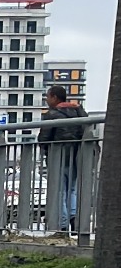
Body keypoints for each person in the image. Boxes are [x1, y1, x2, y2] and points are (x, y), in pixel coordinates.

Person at [39, 85, 88, 233]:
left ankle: (63, 224)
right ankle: (74, 218)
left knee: (59, 191)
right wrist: (78, 107)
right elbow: (87, 123)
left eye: (48, 96)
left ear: (54, 97)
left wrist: (46, 150)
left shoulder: (51, 115)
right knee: (72, 190)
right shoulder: (77, 113)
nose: (47, 100)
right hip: (76, 157)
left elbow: (43, 138)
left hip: (58, 158)